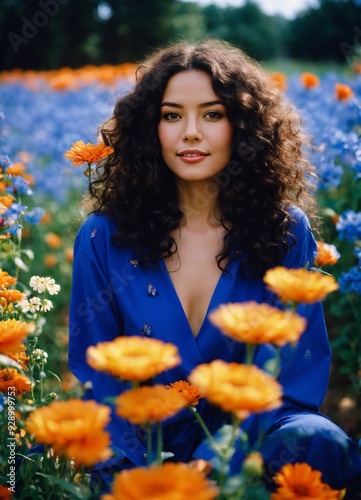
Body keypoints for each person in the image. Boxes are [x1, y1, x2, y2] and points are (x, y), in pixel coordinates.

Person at [68, 39, 361, 495]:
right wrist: (153, 470)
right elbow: (95, 375)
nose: (190, 132)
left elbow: (287, 375)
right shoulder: (102, 236)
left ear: (243, 127)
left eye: (212, 114)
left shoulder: (284, 230)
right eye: (171, 115)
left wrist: (216, 457)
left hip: (255, 435)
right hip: (142, 440)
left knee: (316, 440)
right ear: (150, 128)